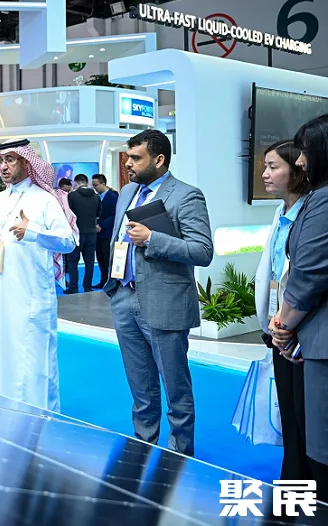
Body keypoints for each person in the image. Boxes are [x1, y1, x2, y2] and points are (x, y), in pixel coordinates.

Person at [104, 129, 213, 456]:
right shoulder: (127, 192)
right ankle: (143, 444)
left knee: (175, 389)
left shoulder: (187, 196)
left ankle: (179, 457)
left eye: (136, 158)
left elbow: (202, 251)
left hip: (165, 303)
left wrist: (152, 239)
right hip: (125, 297)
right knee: (140, 385)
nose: (128, 164)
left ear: (159, 159)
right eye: (128, 157)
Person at [0, 139, 76, 410]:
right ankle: (0, 409)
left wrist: (32, 231)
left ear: (26, 161)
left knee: (32, 357)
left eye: (10, 160)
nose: (4, 166)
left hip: (31, 295)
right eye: (1, 161)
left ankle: (37, 414)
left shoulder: (44, 199)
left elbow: (67, 242)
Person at [270, 115, 328, 502]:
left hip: (317, 341)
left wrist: (284, 324)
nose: (301, 161)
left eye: (305, 152)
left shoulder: (322, 201)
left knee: (319, 451)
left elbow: (308, 274)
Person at [254, 140, 309, 482]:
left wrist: (288, 323)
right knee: (288, 413)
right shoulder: (281, 213)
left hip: (301, 331)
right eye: (265, 166)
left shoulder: (311, 214)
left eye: (274, 167)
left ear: (299, 169)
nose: (265, 174)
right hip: (279, 328)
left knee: (305, 419)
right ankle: (293, 480)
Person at [66, 174, 102, 294]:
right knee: (90, 261)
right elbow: (98, 213)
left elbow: (68, 214)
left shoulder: (72, 196)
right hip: (91, 233)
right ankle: (88, 286)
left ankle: (73, 287)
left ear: (76, 183)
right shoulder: (96, 196)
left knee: (72, 260)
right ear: (87, 182)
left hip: (77, 233)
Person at [93, 173, 119, 289]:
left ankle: (112, 281)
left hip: (108, 233)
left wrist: (102, 225)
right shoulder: (96, 197)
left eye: (96, 185)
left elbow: (114, 215)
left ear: (103, 183)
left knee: (108, 258)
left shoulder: (113, 197)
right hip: (97, 233)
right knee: (100, 258)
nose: (94, 188)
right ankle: (103, 280)